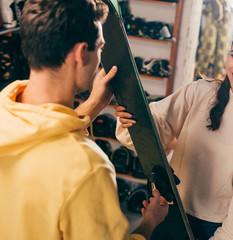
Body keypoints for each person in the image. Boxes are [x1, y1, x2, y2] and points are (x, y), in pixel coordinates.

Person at [0, 0, 168, 239]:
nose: (100, 57)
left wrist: (93, 105)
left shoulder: (6, 112)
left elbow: (41, 132)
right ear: (80, 53)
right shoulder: (86, 169)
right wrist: (148, 225)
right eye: (99, 47)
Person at [116, 22, 233, 239]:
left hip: (210, 230)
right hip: (166, 210)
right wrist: (135, 118)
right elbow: (158, 123)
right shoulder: (200, 92)